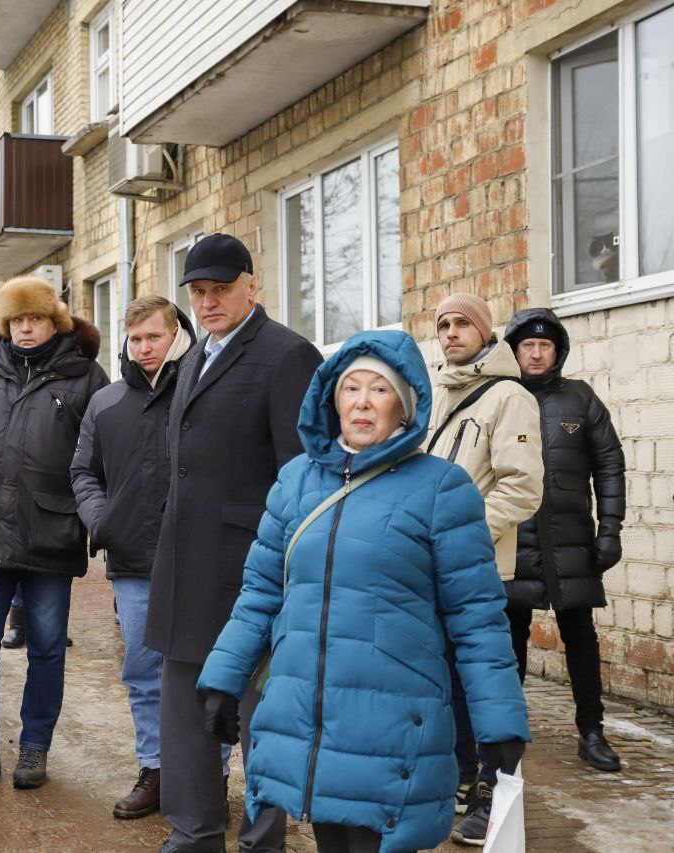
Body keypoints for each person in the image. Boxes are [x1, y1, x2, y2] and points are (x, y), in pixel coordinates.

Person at [197, 330, 531, 853]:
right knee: (332, 838)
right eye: (351, 388)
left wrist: (499, 722)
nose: (362, 402)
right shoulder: (295, 482)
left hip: (394, 717)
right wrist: (223, 680)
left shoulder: (441, 488)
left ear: (405, 404)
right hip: (308, 710)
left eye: (379, 389)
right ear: (331, 398)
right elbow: (260, 592)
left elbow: (476, 617)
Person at [146, 234, 321, 852]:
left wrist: (287, 571)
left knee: (256, 717)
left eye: (221, 288)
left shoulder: (287, 355)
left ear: (252, 284)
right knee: (184, 710)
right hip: (183, 564)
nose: (209, 300)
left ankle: (261, 840)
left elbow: (303, 474)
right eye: (198, 291)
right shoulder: (193, 356)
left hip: (249, 569)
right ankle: (194, 830)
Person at [0, 276, 109, 790]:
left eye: (34, 319)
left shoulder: (85, 377)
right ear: (4, 325)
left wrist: (88, 516)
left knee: (48, 648)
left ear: (53, 321)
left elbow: (102, 454)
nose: (24, 329)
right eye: (15, 320)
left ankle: (34, 749)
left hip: (52, 532)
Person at [70, 294, 194, 819]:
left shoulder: (201, 389)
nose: (144, 348)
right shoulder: (107, 401)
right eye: (135, 338)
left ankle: (209, 775)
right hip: (132, 560)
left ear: (177, 335)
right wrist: (102, 520)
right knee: (143, 671)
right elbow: (83, 472)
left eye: (154, 337)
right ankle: (156, 770)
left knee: (200, 670)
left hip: (199, 556)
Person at [427, 292, 543, 846]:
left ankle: (492, 789)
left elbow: (522, 488)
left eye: (461, 324)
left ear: (484, 332)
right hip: (429, 566)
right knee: (444, 679)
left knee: (482, 684)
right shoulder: (438, 393)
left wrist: (463, 534)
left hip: (476, 566)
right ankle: (461, 774)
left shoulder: (509, 397)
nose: (451, 333)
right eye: (443, 325)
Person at [504, 308, 625, 772]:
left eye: (544, 346)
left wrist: (609, 531)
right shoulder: (500, 398)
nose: (536, 353)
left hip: (571, 543)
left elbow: (610, 466)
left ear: (557, 352)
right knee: (508, 639)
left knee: (580, 637)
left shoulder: (580, 400)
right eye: (527, 346)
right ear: (514, 351)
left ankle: (591, 733)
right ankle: (506, 737)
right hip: (513, 544)